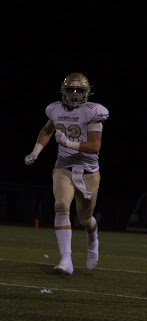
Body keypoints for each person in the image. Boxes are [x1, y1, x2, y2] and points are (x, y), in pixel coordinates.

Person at [24, 72, 109, 275]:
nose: (74, 93)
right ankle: (66, 260)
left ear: (86, 93)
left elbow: (95, 146)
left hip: (88, 171)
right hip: (63, 167)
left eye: (79, 90)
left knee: (85, 219)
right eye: (70, 89)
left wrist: (68, 143)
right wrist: (35, 152)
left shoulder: (93, 112)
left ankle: (92, 239)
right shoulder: (55, 110)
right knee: (61, 206)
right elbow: (46, 131)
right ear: (64, 91)